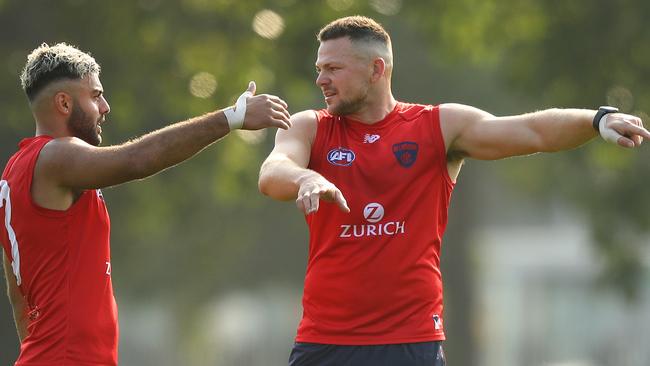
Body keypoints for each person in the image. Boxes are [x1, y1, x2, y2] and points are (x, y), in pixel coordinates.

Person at [258, 16, 650, 366]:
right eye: (319, 68)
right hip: (325, 341)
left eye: (333, 68)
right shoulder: (308, 126)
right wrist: (305, 178)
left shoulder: (439, 126)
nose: (320, 79)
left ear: (376, 69)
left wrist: (596, 119)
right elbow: (273, 171)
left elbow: (531, 131)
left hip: (410, 342)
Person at [0, 42, 290, 366]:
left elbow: (18, 296)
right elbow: (137, 160)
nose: (105, 107)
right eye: (95, 95)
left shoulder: (16, 171)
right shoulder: (56, 155)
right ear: (64, 103)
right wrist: (232, 118)